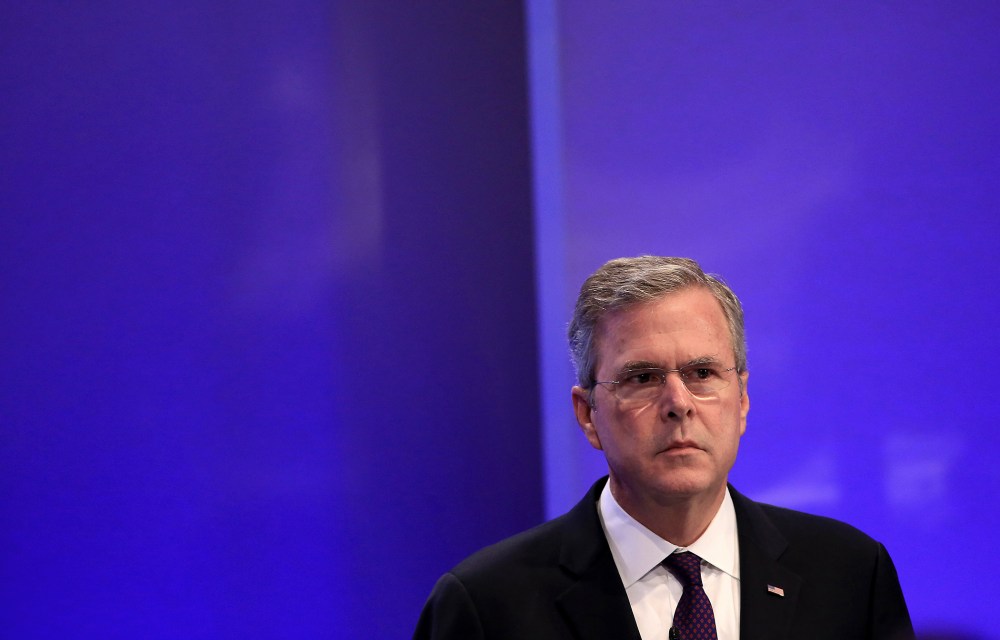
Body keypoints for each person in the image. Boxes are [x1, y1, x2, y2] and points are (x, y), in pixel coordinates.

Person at [413, 256, 913, 640]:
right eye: (644, 377)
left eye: (702, 374)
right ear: (589, 415)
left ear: (741, 400)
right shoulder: (485, 606)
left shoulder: (850, 575)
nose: (678, 403)